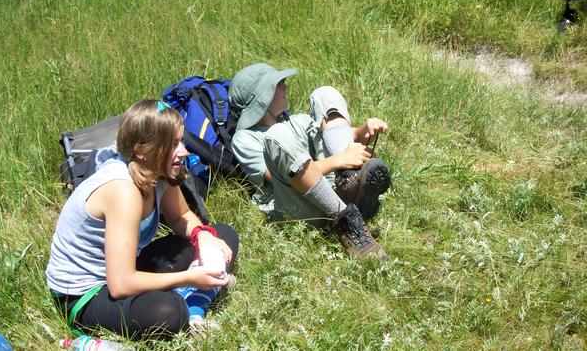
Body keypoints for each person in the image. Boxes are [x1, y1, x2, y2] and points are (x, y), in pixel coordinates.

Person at [46, 100, 239, 340]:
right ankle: (191, 295)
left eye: (181, 141)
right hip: (86, 295)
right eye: (173, 144)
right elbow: (121, 284)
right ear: (141, 150)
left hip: (126, 266)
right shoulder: (123, 190)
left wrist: (203, 235)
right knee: (169, 311)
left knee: (223, 237)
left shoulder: (159, 170)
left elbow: (180, 217)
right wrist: (189, 277)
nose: (185, 152)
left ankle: (195, 306)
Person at [229, 63, 391, 259]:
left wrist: (362, 131)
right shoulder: (244, 139)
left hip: (325, 188)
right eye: (279, 85)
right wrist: (339, 160)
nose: (286, 87)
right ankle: (347, 222)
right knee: (277, 136)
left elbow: (334, 140)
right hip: (297, 206)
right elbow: (282, 176)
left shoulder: (295, 121)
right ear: (263, 98)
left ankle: (350, 183)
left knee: (324, 94)